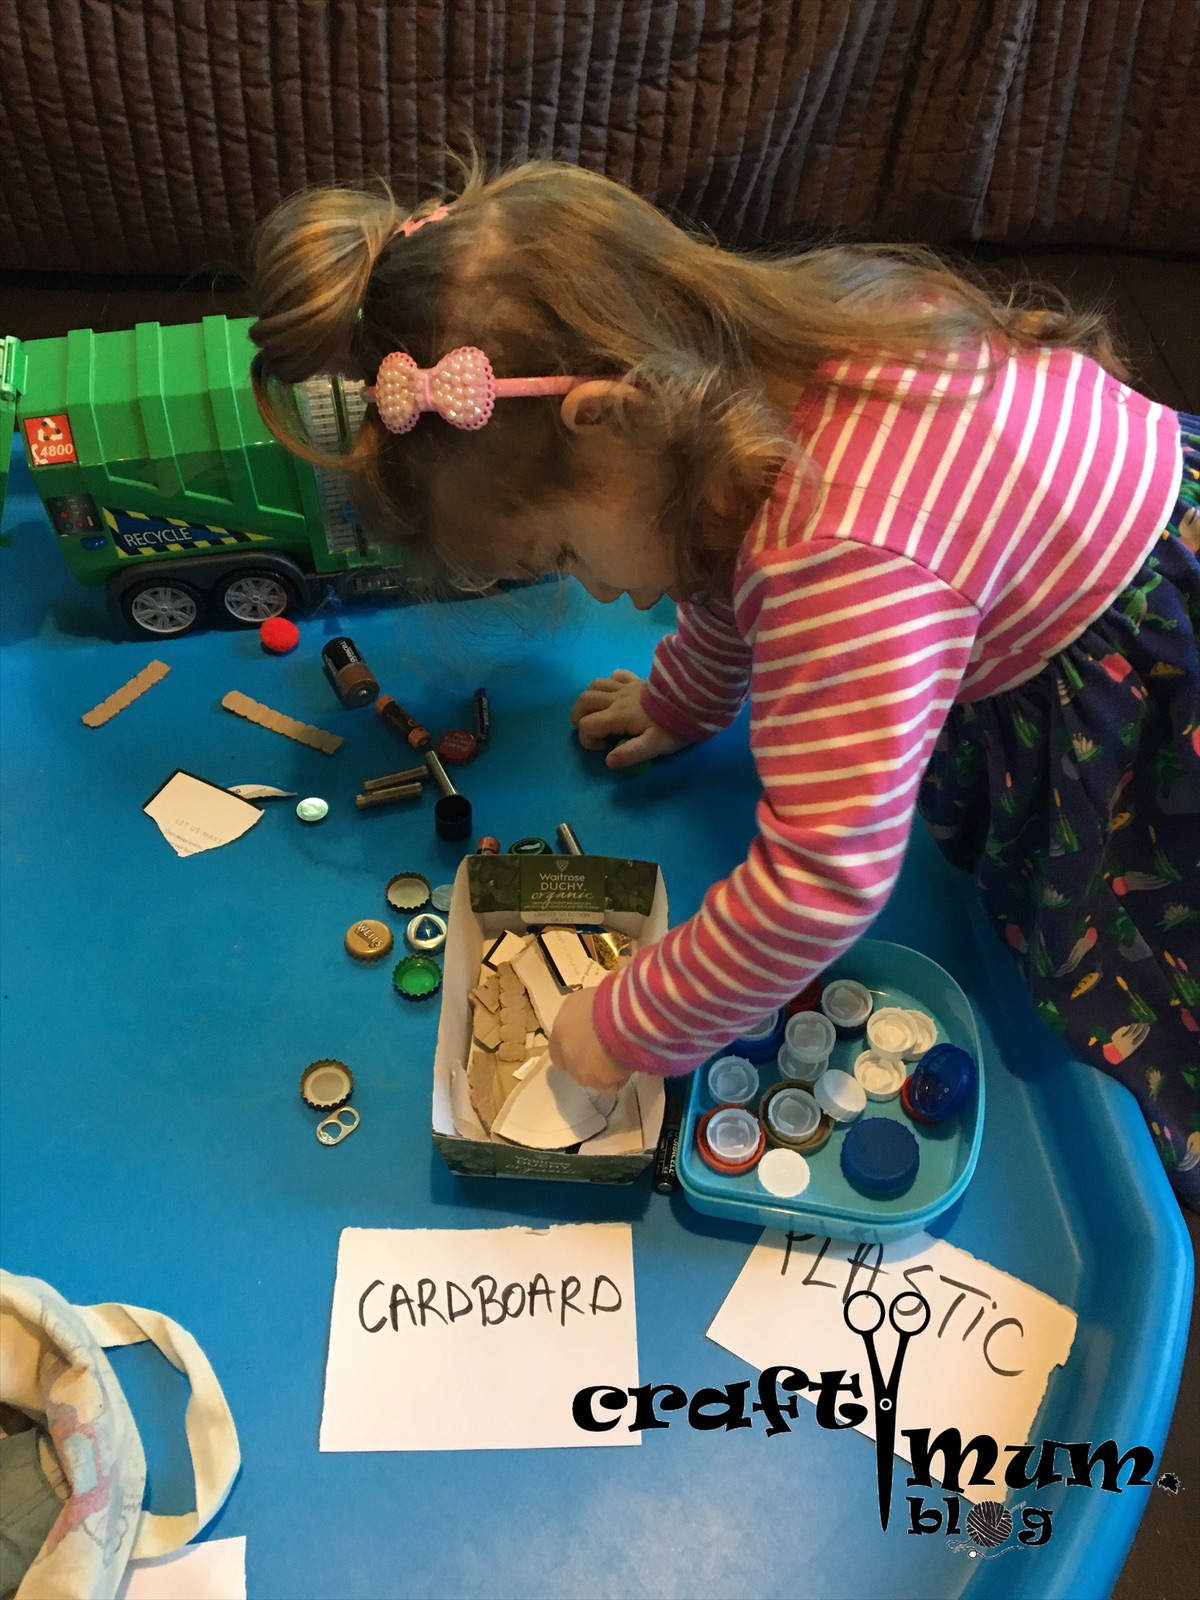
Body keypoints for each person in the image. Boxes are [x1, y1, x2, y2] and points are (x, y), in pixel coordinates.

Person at [247, 162, 1200, 1206]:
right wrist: (682, 701)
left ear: (612, 420)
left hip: (1146, 705)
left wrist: (623, 1025)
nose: (596, 589)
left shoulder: (839, 559)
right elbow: (716, 552)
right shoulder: (746, 368)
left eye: (562, 552)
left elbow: (820, 884)